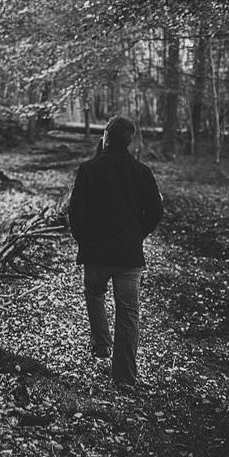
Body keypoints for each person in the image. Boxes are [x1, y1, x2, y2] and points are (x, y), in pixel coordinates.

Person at [68, 115, 164, 386]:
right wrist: (138, 234)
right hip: (128, 256)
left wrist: (84, 239)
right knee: (128, 313)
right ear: (130, 141)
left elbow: (75, 213)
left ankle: (101, 344)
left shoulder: (88, 169)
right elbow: (156, 211)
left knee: (94, 293)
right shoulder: (141, 172)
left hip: (96, 254)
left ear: (106, 136)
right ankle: (124, 377)